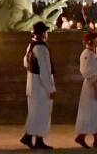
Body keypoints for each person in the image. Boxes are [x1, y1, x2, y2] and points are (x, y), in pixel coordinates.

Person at [20, 22, 55, 150]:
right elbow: (45, 70)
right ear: (43, 33)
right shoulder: (41, 48)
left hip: (32, 84)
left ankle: (31, 137)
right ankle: (36, 138)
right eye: (46, 31)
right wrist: (50, 88)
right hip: (41, 87)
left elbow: (25, 62)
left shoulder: (31, 45)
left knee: (35, 112)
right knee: (43, 113)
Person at [74, 30, 97, 149]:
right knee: (91, 112)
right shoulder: (87, 54)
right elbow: (86, 72)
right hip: (92, 84)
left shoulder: (92, 53)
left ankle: (96, 139)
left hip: (96, 83)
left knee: (96, 112)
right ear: (91, 41)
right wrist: (96, 86)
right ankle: (81, 137)